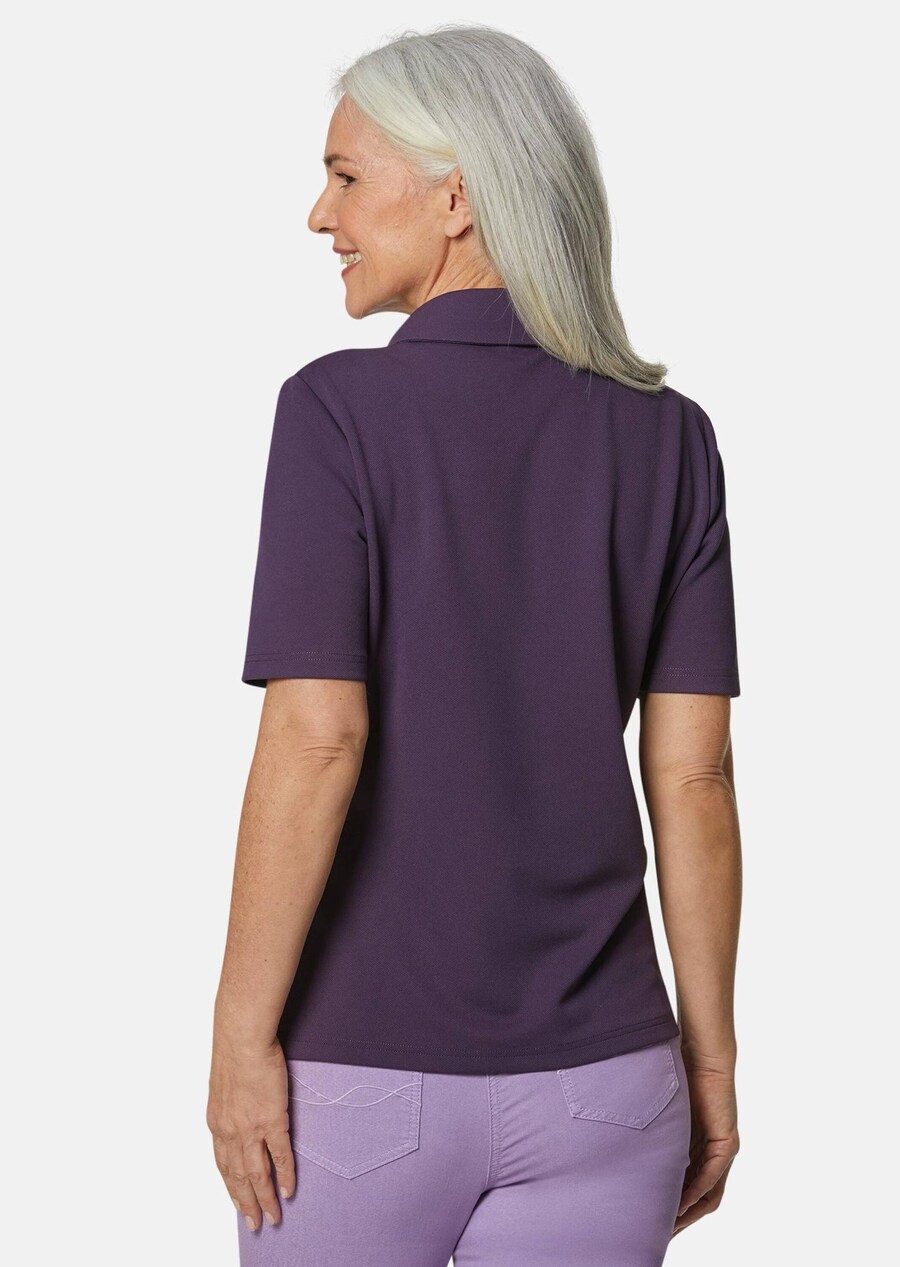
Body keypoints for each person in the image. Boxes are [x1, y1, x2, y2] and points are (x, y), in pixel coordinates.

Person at [207, 23, 742, 1267]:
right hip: (611, 1086)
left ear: (457, 197)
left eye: (346, 176)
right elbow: (695, 777)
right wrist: (710, 1061)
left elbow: (318, 739)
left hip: (361, 1084)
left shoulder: (338, 413)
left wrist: (239, 1035)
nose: (320, 215)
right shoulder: (671, 437)